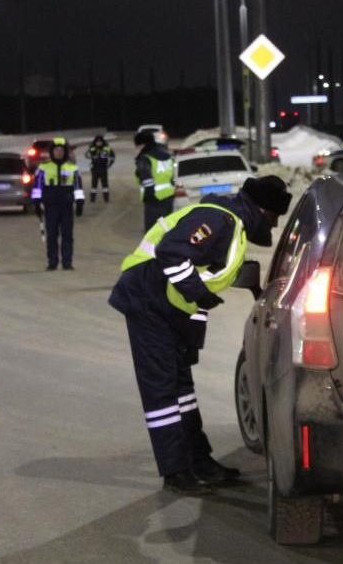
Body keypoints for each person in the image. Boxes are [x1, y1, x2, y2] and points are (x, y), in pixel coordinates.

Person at [108, 175, 292, 494]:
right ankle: (176, 471)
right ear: (263, 210)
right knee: (163, 391)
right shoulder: (217, 218)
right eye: (275, 218)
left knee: (183, 389)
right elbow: (172, 254)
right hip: (146, 298)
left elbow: (202, 279)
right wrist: (198, 293)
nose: (273, 227)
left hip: (167, 307)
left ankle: (198, 459)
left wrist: (192, 331)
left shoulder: (232, 225)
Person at [31, 137, 84, 271]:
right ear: (52, 152)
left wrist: (79, 202)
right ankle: (52, 262)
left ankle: (67, 263)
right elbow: (37, 186)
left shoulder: (72, 168)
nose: (59, 152)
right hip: (51, 207)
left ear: (65, 152)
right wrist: (36, 203)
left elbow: (78, 187)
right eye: (56, 150)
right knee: (52, 235)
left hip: (66, 206)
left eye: (61, 150)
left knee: (67, 235)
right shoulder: (43, 168)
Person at [134, 130, 175, 233]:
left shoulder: (146, 158)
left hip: (153, 197)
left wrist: (149, 193)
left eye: (138, 146)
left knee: (152, 230)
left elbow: (146, 177)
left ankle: (153, 249)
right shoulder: (167, 155)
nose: (137, 149)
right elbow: (173, 174)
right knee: (166, 226)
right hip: (168, 195)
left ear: (143, 144)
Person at [86, 134, 116, 203]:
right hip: (94, 169)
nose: (99, 143)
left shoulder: (107, 148)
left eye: (100, 141)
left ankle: (106, 199)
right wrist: (91, 150)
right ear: (95, 142)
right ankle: (92, 199)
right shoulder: (92, 148)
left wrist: (110, 164)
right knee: (93, 185)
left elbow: (113, 156)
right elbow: (86, 155)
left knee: (105, 185)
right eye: (97, 141)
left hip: (103, 169)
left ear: (103, 142)